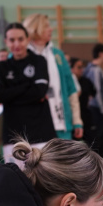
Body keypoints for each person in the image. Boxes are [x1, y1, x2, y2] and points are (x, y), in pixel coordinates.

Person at [0, 22, 56, 162]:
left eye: (20, 39)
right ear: (6, 42)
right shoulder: (1, 67)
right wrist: (26, 85)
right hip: (12, 134)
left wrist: (11, 93)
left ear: (27, 40)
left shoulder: (39, 61)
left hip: (41, 132)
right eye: (12, 40)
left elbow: (39, 92)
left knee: (43, 180)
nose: (17, 44)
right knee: (16, 180)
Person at [23, 13, 81, 142]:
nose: (51, 29)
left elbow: (71, 90)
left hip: (60, 123)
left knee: (62, 161)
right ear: (35, 28)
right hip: (31, 123)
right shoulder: (21, 56)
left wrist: (77, 120)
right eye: (46, 26)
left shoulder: (58, 55)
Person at [84, 44, 103, 159]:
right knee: (99, 135)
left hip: (99, 108)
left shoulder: (99, 70)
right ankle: (98, 160)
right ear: (100, 54)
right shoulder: (95, 70)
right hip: (97, 109)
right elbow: (98, 92)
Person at [70, 57, 95, 143]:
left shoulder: (86, 81)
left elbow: (94, 93)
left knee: (91, 141)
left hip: (85, 116)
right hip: (72, 117)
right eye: (79, 67)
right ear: (71, 68)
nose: (82, 69)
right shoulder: (69, 81)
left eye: (82, 67)